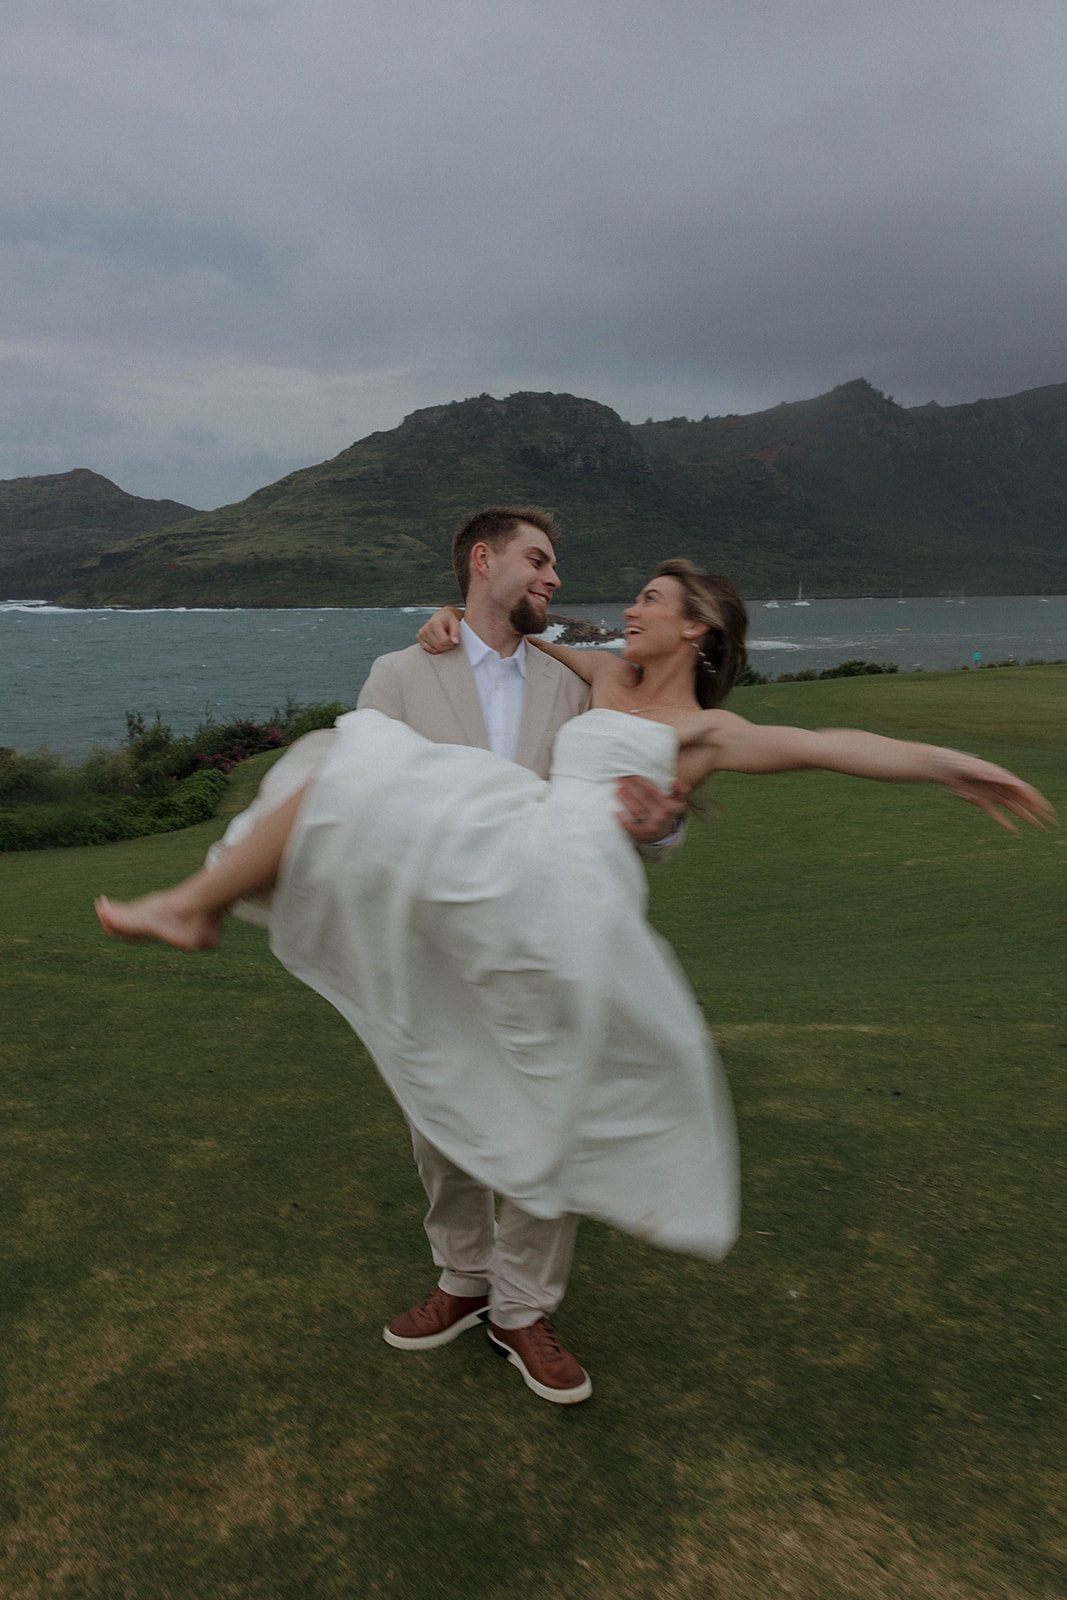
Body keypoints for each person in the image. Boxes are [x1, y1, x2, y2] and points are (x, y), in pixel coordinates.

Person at [95, 559, 1053, 1409]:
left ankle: (522, 1311)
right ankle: (199, 905)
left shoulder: (706, 729)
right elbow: (505, 627)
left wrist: (948, 766)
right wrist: (443, 618)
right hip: (515, 846)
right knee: (351, 765)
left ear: (698, 630)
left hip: (574, 893)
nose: (626, 610)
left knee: (548, 1090)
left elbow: (834, 743)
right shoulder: (597, 672)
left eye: (649, 600)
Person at [354, 507, 686, 1402]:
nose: (553, 580)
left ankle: (522, 1306)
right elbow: (362, 807)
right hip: (436, 951)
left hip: (551, 949)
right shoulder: (397, 673)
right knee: (442, 1126)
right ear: (481, 560)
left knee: (551, 1129)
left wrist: (663, 824)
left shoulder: (578, 680)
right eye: (538, 561)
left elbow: (640, 807)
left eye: (555, 564)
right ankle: (463, 1282)